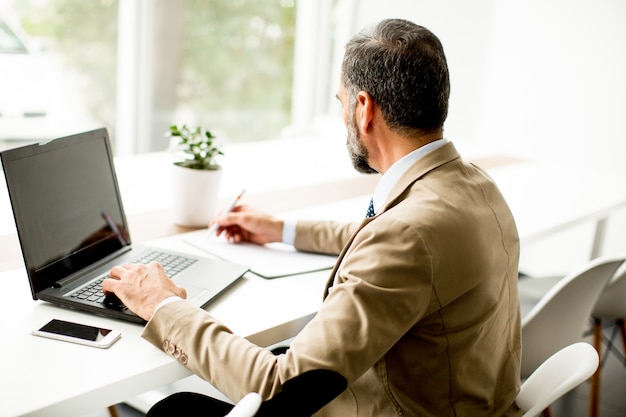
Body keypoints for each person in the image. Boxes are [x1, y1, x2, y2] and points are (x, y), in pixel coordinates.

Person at [103, 18, 523, 416]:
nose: (344, 118)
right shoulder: (472, 186)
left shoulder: (407, 236)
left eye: (342, 103)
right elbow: (395, 242)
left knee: (173, 409)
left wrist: (163, 306)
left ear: (364, 108)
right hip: (468, 400)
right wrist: (281, 229)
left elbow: (277, 388)